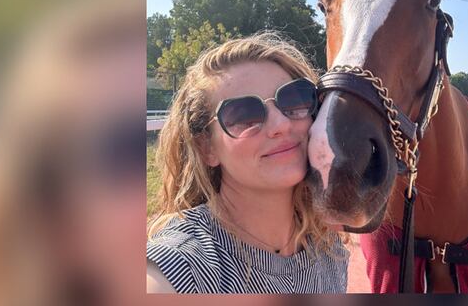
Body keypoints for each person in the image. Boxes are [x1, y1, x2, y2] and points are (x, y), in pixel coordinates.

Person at [146, 33, 349, 294]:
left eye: (294, 99)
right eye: (244, 115)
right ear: (206, 148)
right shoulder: (187, 264)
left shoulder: (328, 247)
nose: (281, 124)